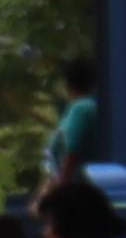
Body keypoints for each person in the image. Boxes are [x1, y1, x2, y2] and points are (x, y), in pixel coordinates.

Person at [42, 58, 103, 191]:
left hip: (77, 189)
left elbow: (72, 152)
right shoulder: (94, 107)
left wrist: (60, 188)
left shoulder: (80, 109)